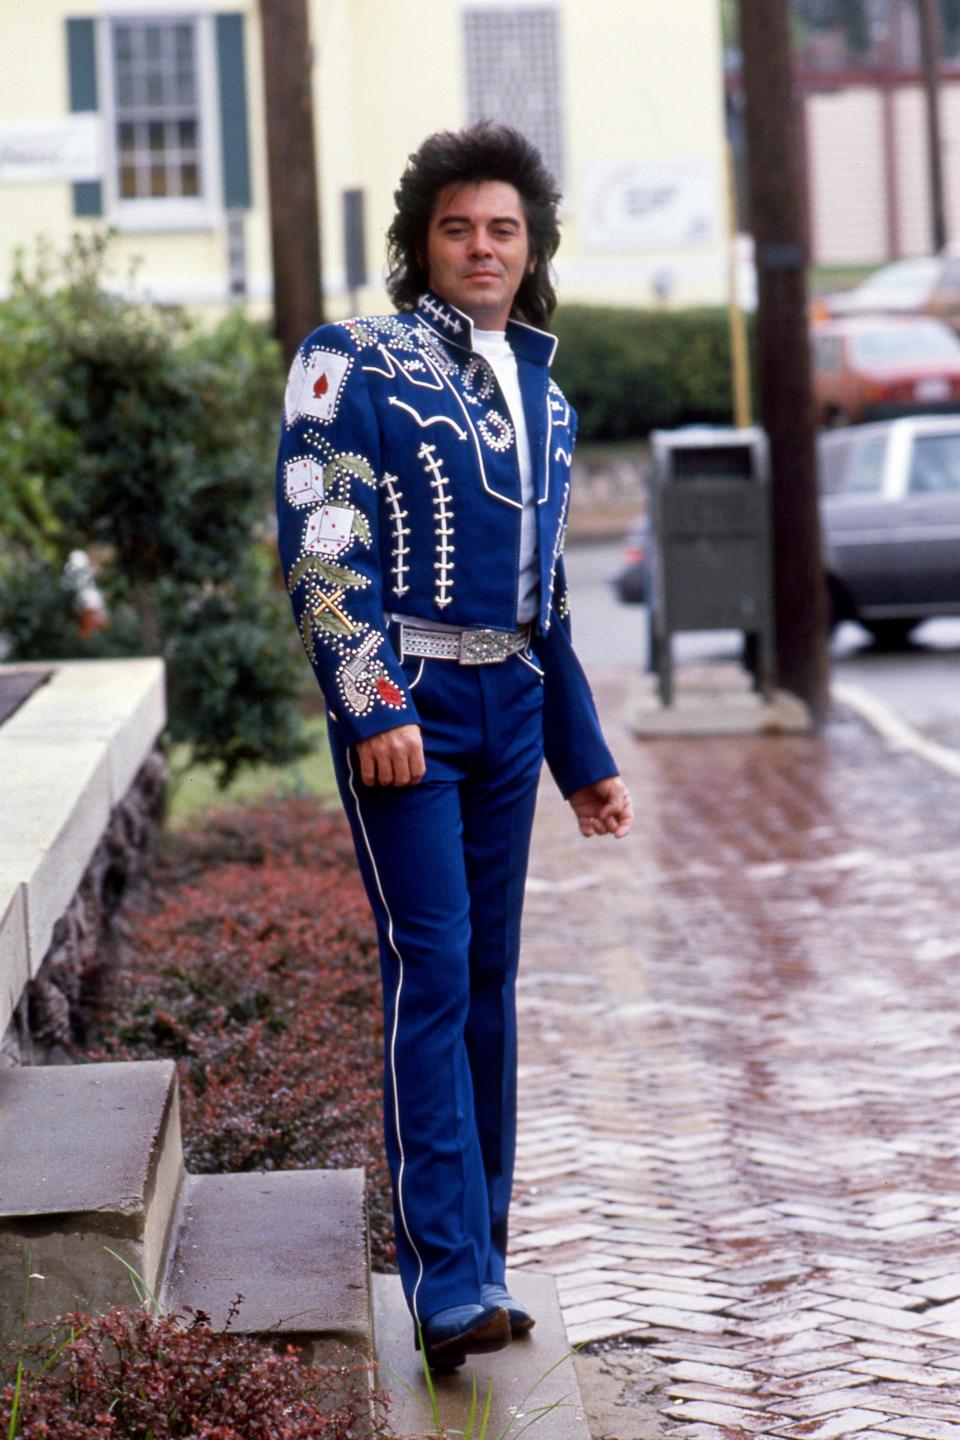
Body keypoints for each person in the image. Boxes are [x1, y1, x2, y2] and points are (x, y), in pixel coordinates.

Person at [276, 122, 632, 1370]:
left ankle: (481, 1259)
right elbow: (323, 544)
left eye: (505, 230)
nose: (482, 248)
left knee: (488, 981)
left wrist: (582, 758)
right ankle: (439, 1284)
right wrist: (371, 704)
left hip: (513, 703)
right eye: (457, 227)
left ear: (529, 251)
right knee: (430, 970)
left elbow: (551, 597)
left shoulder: (548, 392)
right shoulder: (349, 361)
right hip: (410, 708)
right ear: (421, 244)